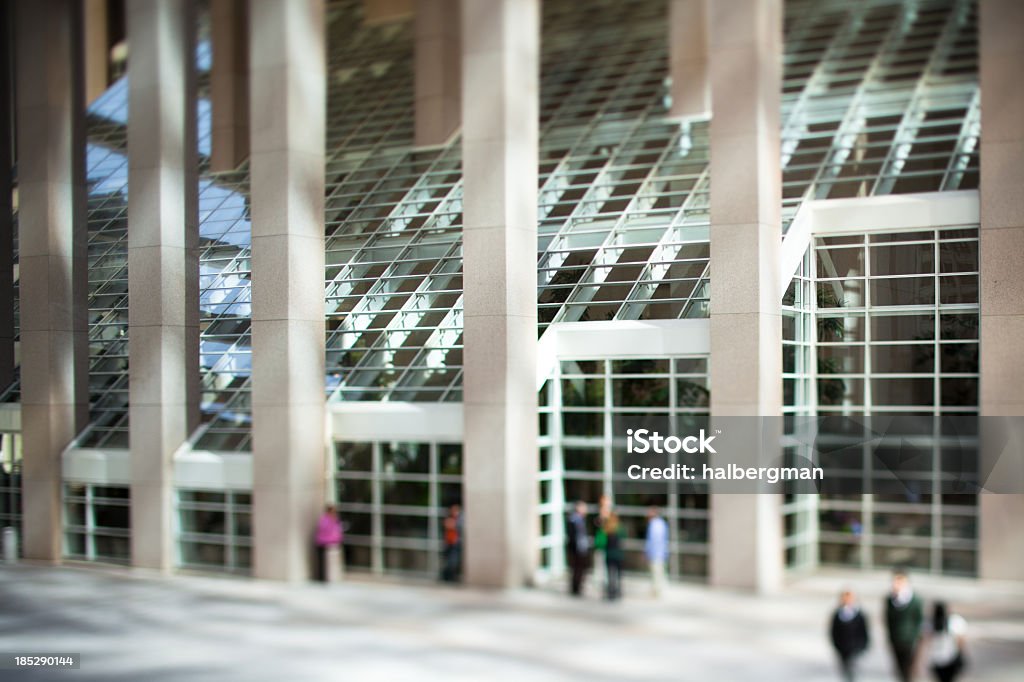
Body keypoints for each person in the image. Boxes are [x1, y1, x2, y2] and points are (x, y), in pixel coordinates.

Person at [885, 570, 924, 682]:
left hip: (910, 640)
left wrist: (916, 636)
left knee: (909, 670)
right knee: (900, 669)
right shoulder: (891, 600)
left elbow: (919, 620)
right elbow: (888, 620)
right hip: (896, 640)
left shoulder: (915, 600)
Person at [830, 589, 870, 681]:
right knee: (845, 672)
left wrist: (863, 647)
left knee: (853, 672)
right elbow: (833, 632)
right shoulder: (838, 614)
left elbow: (864, 632)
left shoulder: (859, 614)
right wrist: (836, 646)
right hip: (842, 649)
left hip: (855, 649)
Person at [927, 602, 967, 682]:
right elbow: (961, 641)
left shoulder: (930, 623)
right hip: (943, 659)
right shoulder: (955, 622)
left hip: (944, 659)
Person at [565, 500, 590, 597]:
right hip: (576, 548)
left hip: (581, 548)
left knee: (580, 568)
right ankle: (575, 588)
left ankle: (577, 587)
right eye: (584, 508)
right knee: (577, 568)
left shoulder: (581, 520)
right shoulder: (574, 520)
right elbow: (572, 536)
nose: (585, 510)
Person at [315, 505, 343, 582]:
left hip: (331, 544)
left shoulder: (335, 520)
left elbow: (338, 531)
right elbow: (325, 530)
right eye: (332, 511)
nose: (334, 513)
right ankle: (321, 579)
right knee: (322, 563)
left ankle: (329, 578)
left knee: (330, 564)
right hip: (323, 543)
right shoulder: (325, 520)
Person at [645, 506, 669, 597]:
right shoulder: (662, 524)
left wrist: (647, 552)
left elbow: (651, 541)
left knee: (656, 573)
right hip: (661, 553)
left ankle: (656, 592)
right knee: (658, 573)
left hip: (655, 553)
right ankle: (657, 591)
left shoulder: (653, 525)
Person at [592, 494, 612, 596]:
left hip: (608, 546)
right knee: (599, 566)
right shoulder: (598, 517)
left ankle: (606, 585)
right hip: (600, 545)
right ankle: (599, 586)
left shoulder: (611, 517)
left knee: (607, 568)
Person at [603, 512, 624, 601]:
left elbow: (602, 542)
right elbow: (624, 537)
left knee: (610, 574)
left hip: (609, 554)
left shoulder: (606, 529)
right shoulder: (619, 529)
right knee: (618, 574)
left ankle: (611, 592)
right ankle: (618, 592)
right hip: (617, 555)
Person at [441, 504, 463, 582]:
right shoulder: (449, 518)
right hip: (449, 544)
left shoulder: (460, 519)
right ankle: (446, 577)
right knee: (448, 561)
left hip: (455, 544)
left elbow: (455, 527)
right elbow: (447, 526)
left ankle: (451, 577)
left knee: (453, 562)